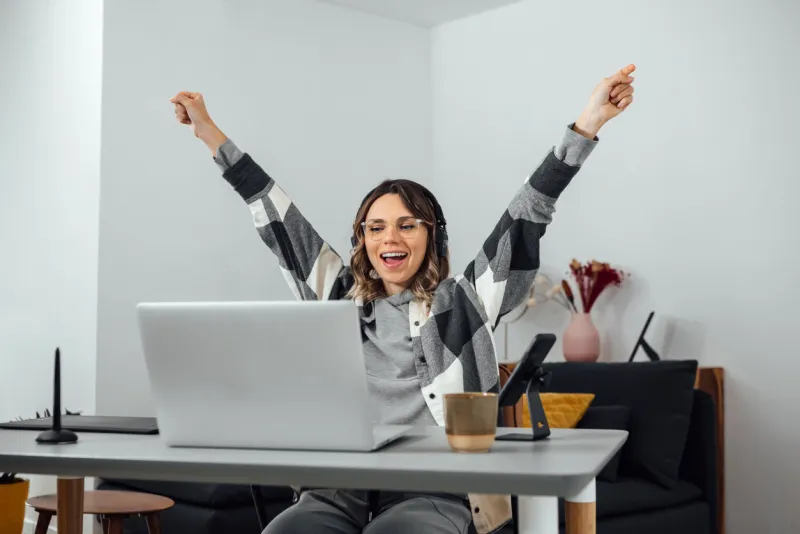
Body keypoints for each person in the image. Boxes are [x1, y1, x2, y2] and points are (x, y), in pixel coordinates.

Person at [169, 64, 636, 534]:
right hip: (337, 488)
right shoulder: (335, 294)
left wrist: (586, 126)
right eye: (375, 228)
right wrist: (209, 133)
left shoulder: (464, 301)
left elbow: (527, 213)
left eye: (406, 225)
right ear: (363, 241)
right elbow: (275, 215)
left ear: (432, 236)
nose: (389, 237)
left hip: (434, 488)